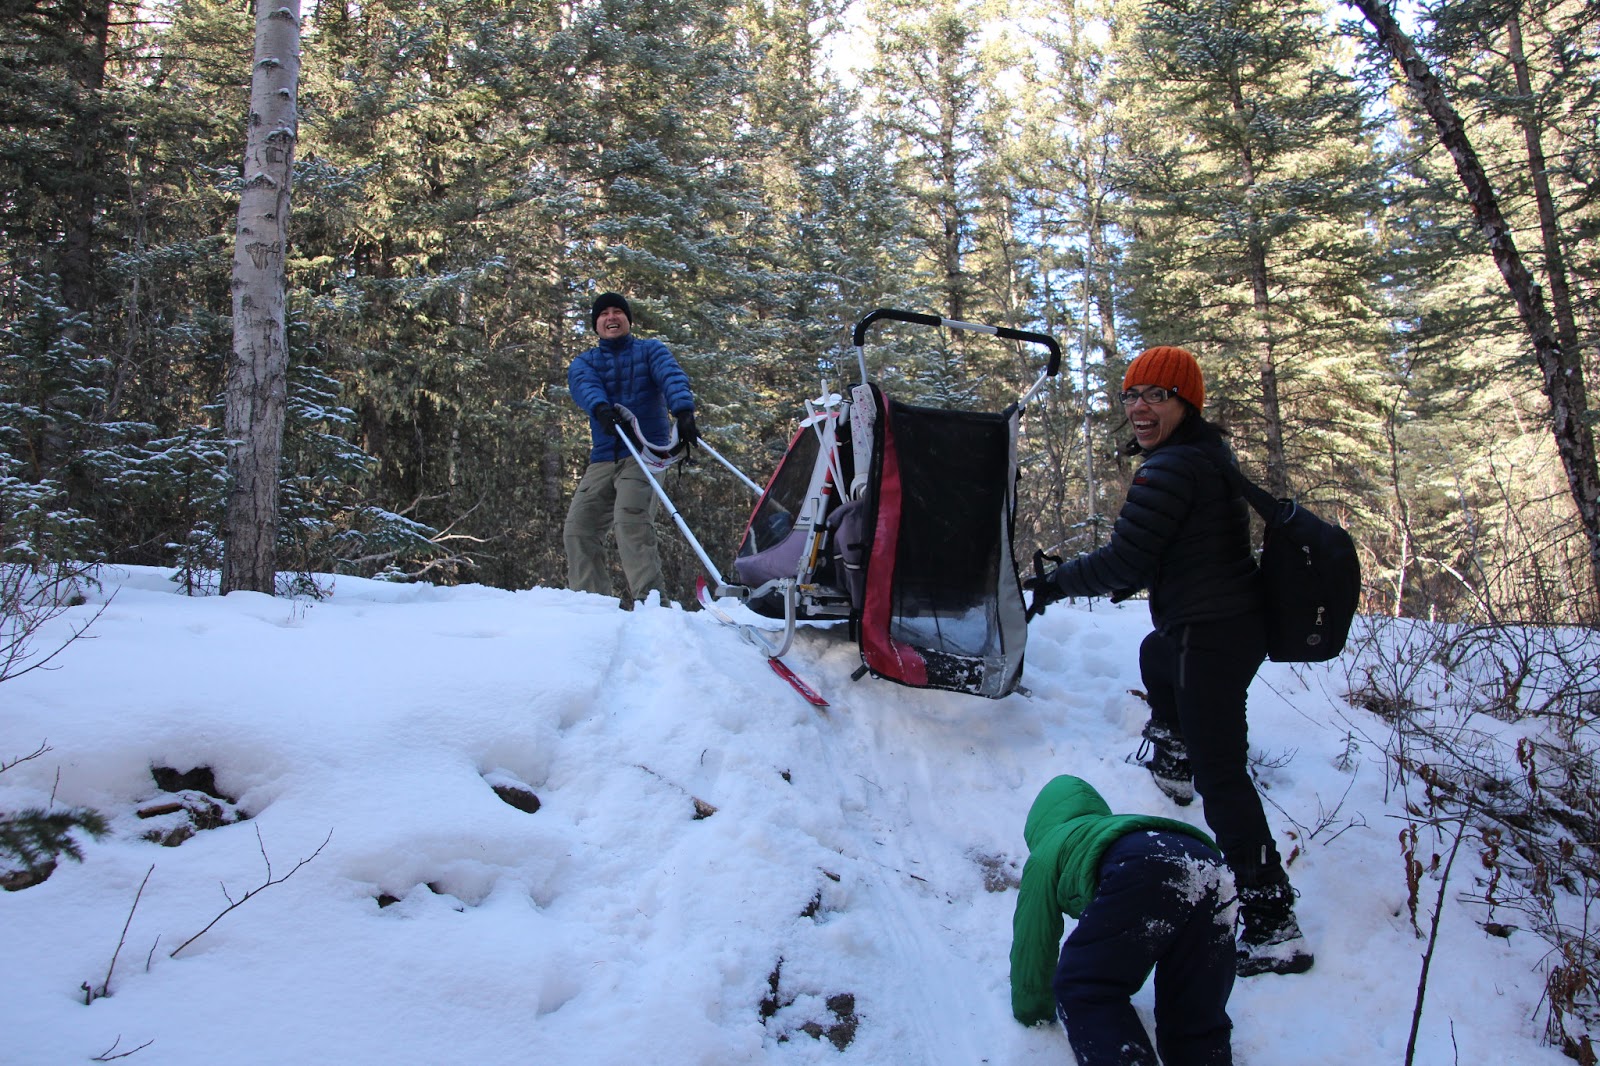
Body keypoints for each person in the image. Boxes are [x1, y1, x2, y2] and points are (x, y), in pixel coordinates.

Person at [1025, 345, 1313, 978]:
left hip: (1210, 635)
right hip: (1225, 626)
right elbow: (1167, 548)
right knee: (1155, 653)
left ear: (1186, 402)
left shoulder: (1172, 469)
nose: (1139, 407)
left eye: (1156, 395)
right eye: (1131, 395)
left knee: (1225, 775)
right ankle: (1174, 754)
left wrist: (1053, 583)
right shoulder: (1203, 455)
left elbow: (1124, 560)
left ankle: (1271, 922)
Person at [1010, 774, 1236, 1065]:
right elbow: (1135, 939)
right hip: (1212, 868)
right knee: (1194, 1012)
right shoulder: (1109, 829)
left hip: (1144, 865)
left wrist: (1033, 1010)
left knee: (1087, 987)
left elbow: (1034, 938)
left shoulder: (1046, 852)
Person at [564, 292, 698, 604]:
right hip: (602, 459)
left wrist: (683, 411)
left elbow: (671, 376)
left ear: (627, 319)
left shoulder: (650, 350)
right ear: (596, 324)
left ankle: (651, 604)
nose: (611, 317)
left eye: (617, 312)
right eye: (604, 314)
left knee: (631, 522)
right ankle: (590, 603)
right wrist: (600, 408)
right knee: (578, 529)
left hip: (644, 455)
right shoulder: (586, 361)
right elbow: (584, 385)